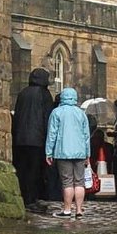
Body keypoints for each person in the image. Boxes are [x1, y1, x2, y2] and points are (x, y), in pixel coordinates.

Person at [45, 83, 93, 220]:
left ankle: (67, 210)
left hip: (63, 152)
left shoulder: (56, 112)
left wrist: (48, 152)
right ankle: (79, 210)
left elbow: (52, 134)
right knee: (79, 182)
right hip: (80, 152)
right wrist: (88, 154)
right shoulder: (81, 113)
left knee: (67, 182)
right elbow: (86, 135)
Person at [11, 67, 52, 208]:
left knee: (22, 168)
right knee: (34, 170)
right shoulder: (44, 94)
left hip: (20, 138)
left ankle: (23, 197)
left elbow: (17, 115)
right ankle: (31, 199)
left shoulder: (22, 93)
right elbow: (47, 118)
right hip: (37, 139)